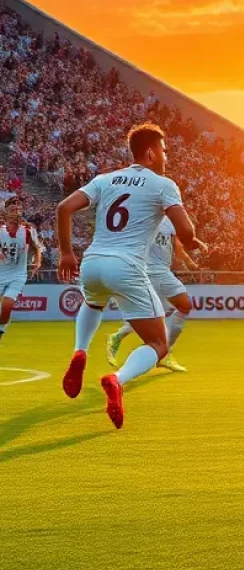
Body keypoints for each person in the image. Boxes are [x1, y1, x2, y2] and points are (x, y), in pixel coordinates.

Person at [56, 123, 207, 429]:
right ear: (151, 153)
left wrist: (66, 253)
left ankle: (79, 351)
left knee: (93, 302)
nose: (167, 157)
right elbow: (186, 230)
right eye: (164, 151)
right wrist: (191, 242)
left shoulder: (105, 179)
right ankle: (117, 379)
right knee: (158, 345)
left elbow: (63, 207)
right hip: (126, 266)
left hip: (93, 262)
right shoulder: (163, 184)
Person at [105, 216, 200, 373]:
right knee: (182, 306)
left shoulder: (165, 219)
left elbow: (175, 245)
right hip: (153, 272)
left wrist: (188, 260)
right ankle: (163, 353)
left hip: (155, 272)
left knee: (159, 315)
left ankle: (119, 337)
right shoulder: (146, 215)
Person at [0, 196, 42, 343]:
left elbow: (37, 248)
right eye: (13, 209)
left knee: (7, 304)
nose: (17, 212)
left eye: (19, 209)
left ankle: (1, 330)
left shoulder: (27, 230)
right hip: (1, 272)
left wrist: (37, 263)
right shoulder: (1, 229)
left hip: (18, 274)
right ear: (6, 212)